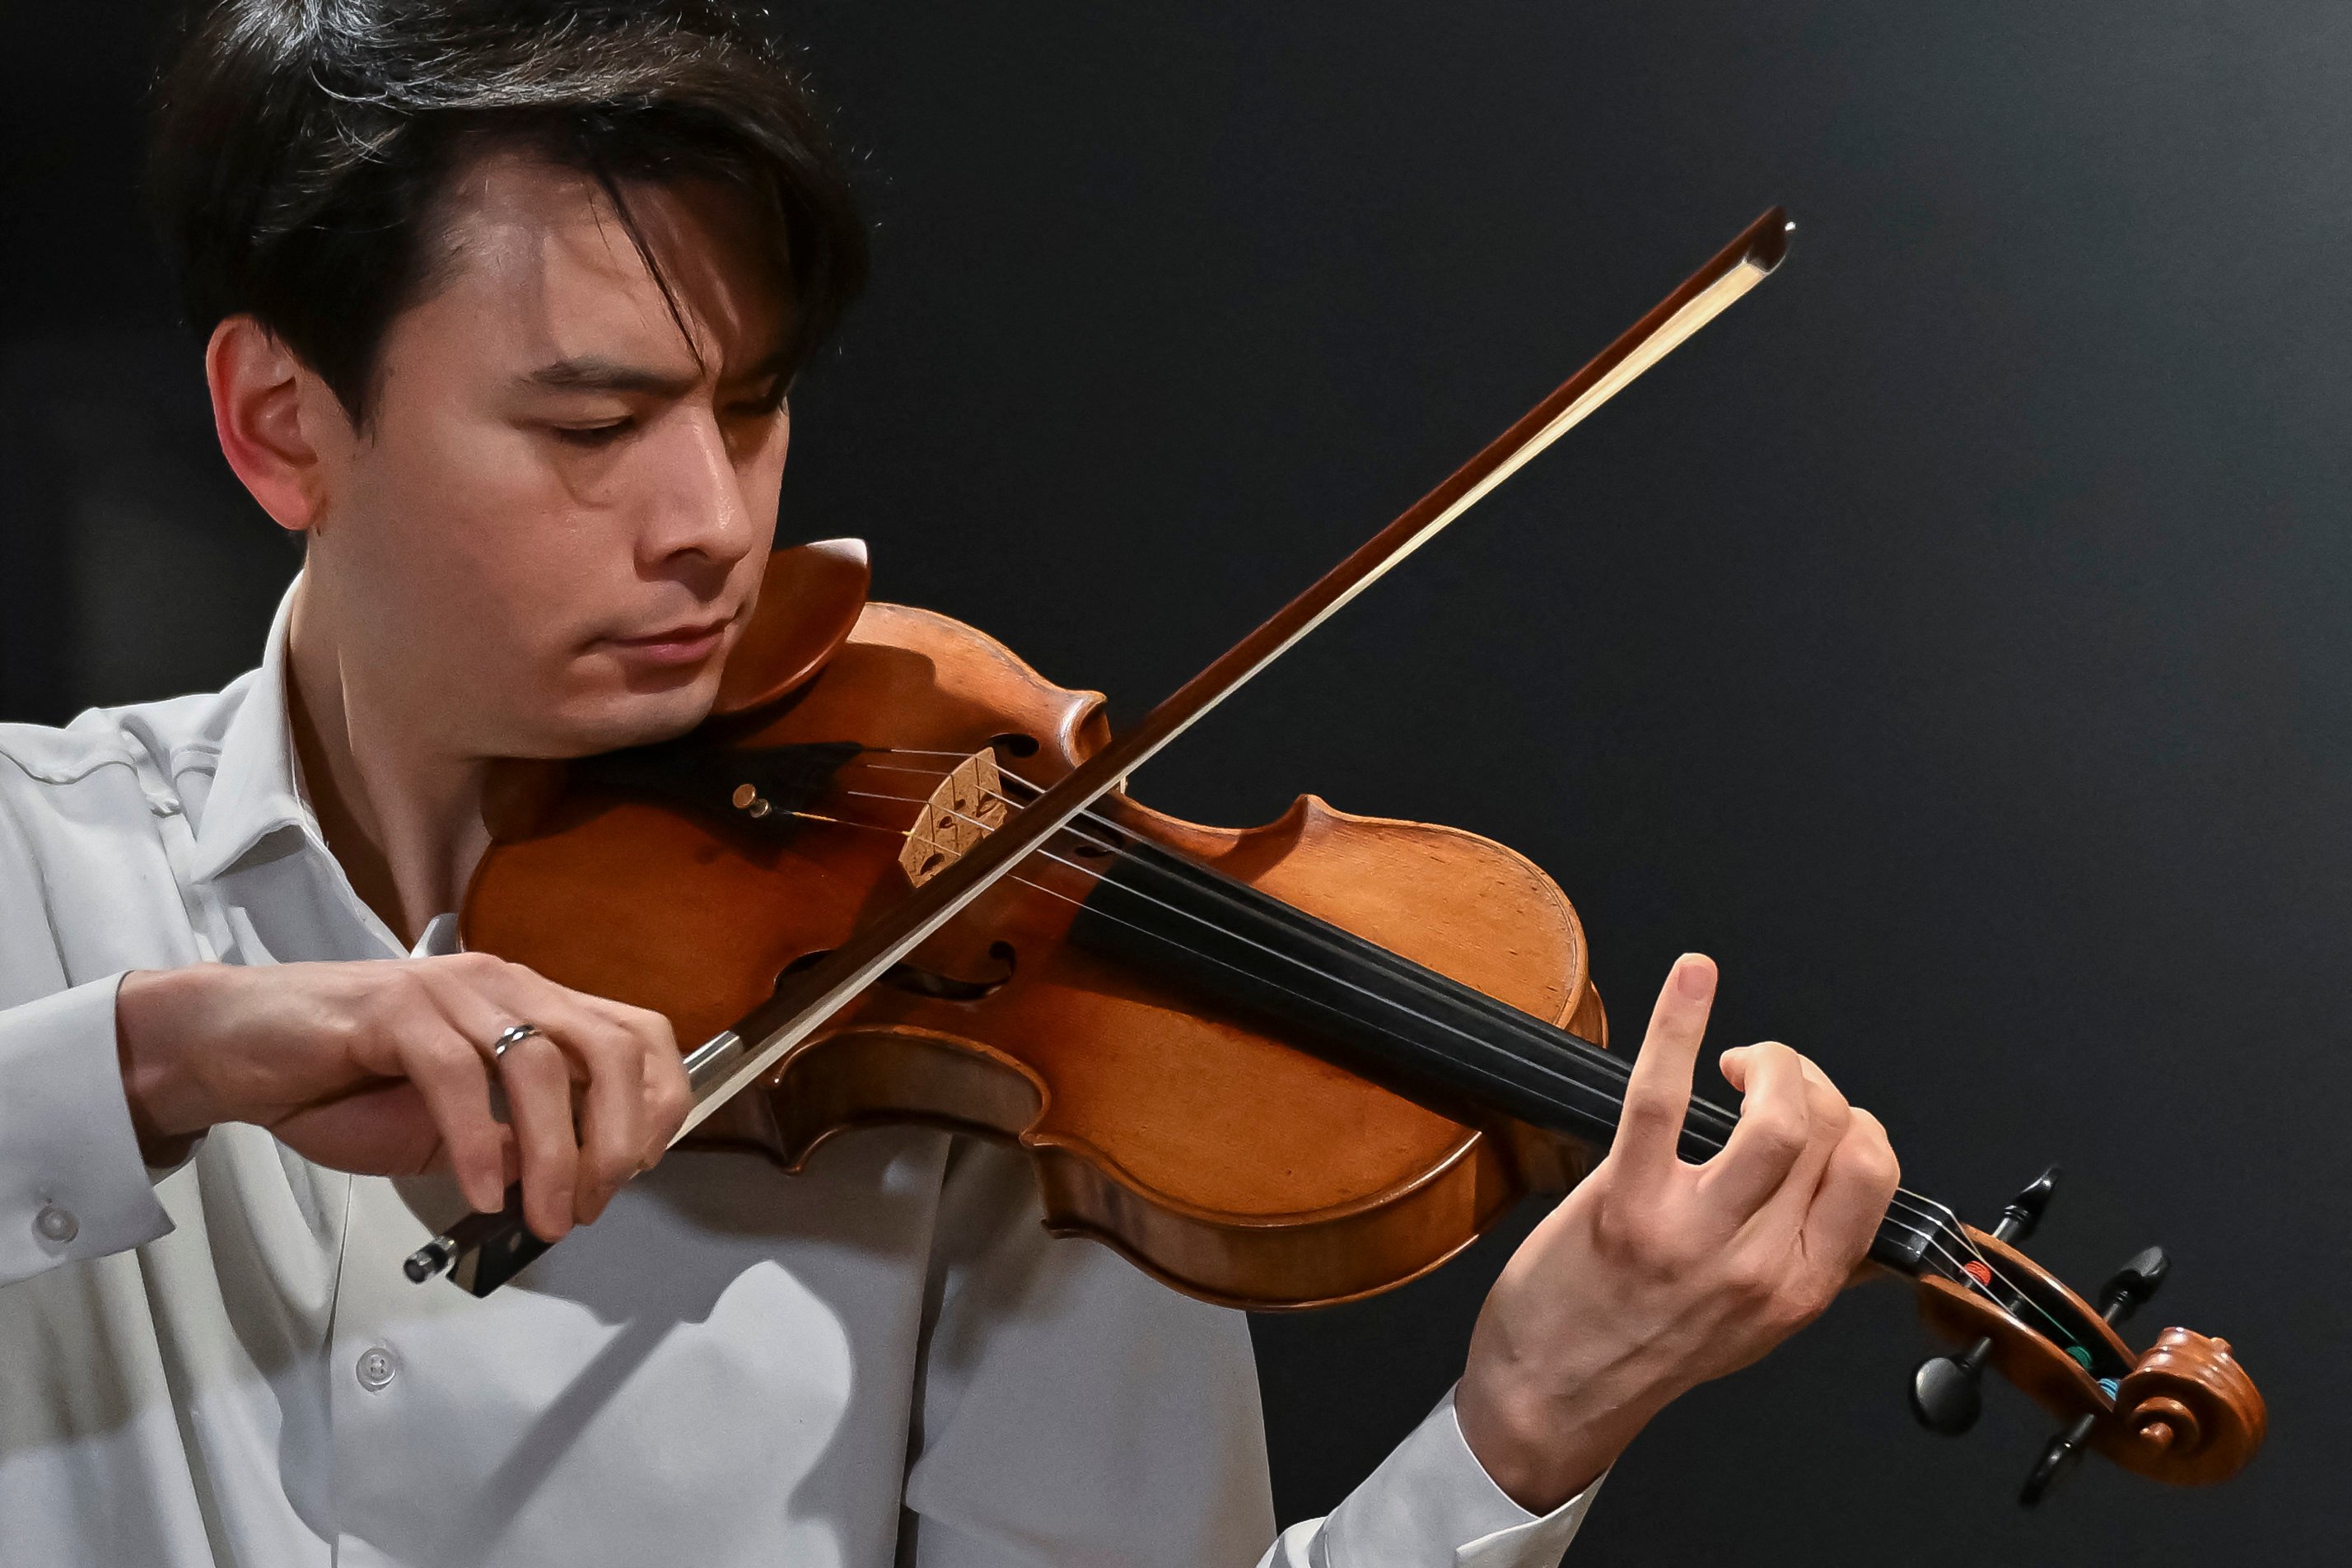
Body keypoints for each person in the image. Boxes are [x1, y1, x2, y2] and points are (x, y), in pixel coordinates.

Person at [0, 4, 1902, 1564]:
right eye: (591, 426)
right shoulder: (33, 863)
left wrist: (1517, 1435)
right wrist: (163, 1060)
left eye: (748, 408)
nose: (711, 527)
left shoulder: (998, 1030)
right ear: (278, 424)